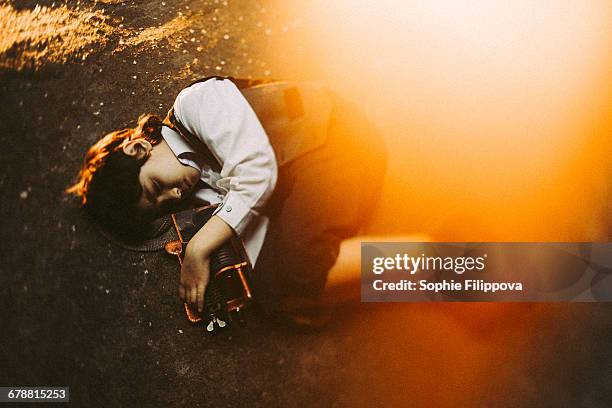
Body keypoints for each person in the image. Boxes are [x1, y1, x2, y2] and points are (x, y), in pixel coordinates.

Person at [67, 77, 386, 321]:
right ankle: (411, 266)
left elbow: (257, 177)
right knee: (276, 289)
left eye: (155, 186)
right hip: (314, 177)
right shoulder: (195, 190)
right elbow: (253, 228)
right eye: (163, 203)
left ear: (138, 148)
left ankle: (431, 266)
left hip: (334, 138)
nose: (174, 195)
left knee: (298, 266)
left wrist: (199, 248)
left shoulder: (195, 104)